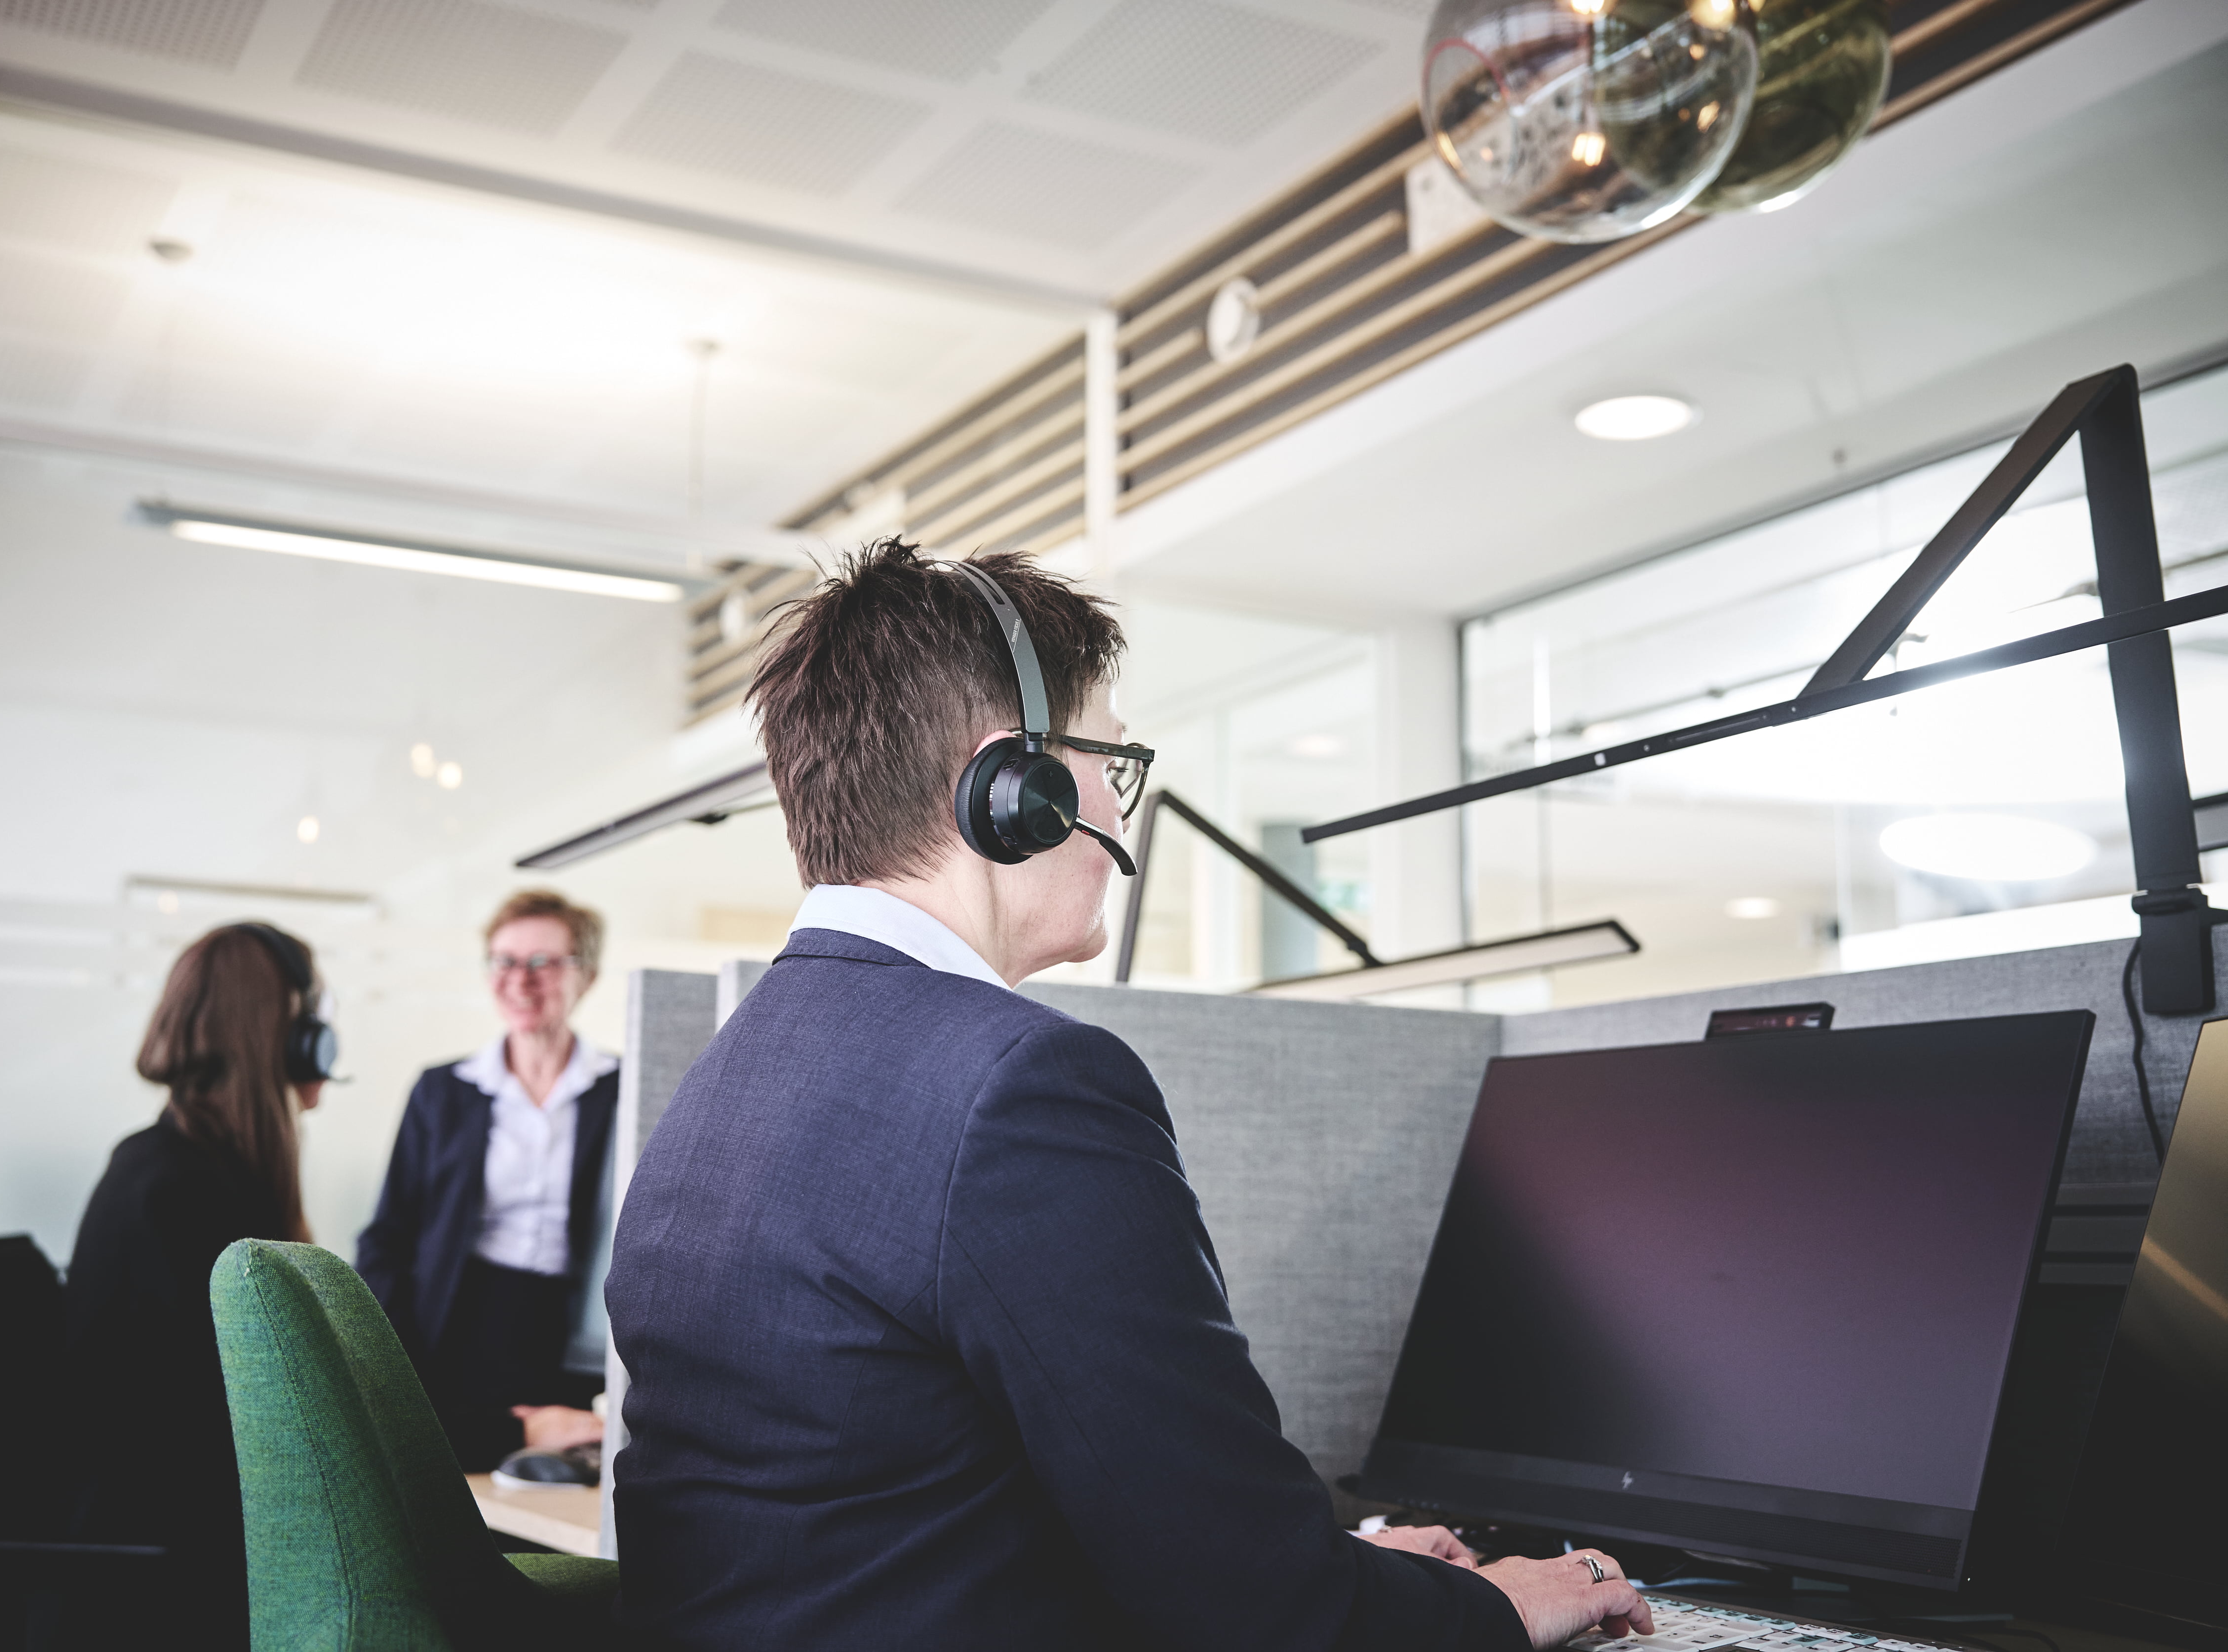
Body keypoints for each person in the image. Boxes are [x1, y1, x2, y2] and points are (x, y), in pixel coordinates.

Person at [605, 540, 1656, 1651]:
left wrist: (1313, 1557)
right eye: (1110, 757)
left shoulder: (734, 1072)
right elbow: (1257, 1611)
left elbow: (893, 1524)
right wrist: (1497, 1601)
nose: (1117, 801)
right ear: (1012, 787)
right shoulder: (1020, 1087)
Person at [60, 920, 337, 1651]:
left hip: (174, 1537)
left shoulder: (168, 1167)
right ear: (292, 1038)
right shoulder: (190, 1192)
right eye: (315, 1022)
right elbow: (285, 1401)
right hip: (183, 1562)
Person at [357, 889, 618, 1470]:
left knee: (558, 1491)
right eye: (504, 961)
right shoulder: (443, 1091)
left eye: (542, 963)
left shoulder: (623, 1091)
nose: (519, 981)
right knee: (456, 1486)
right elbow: (388, 1235)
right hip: (457, 1323)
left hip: (574, 1334)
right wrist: (386, 1357)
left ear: (588, 976)